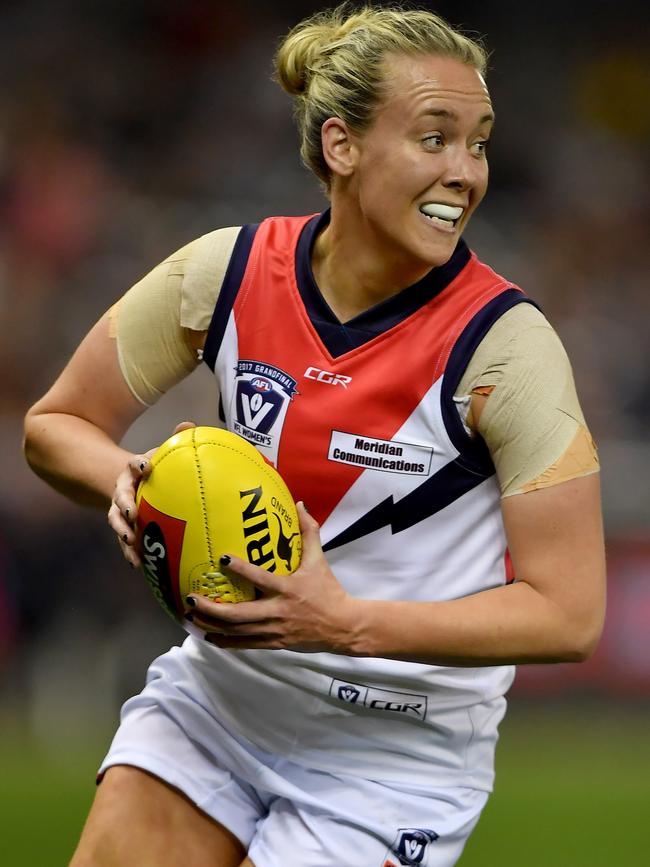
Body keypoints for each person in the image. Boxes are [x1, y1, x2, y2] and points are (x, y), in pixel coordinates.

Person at [23, 5, 606, 866]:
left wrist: (348, 624)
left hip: (392, 758)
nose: (466, 173)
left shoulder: (506, 348)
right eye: (434, 137)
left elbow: (571, 611)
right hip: (219, 703)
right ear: (341, 147)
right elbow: (55, 424)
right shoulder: (224, 272)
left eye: (477, 143)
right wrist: (128, 479)